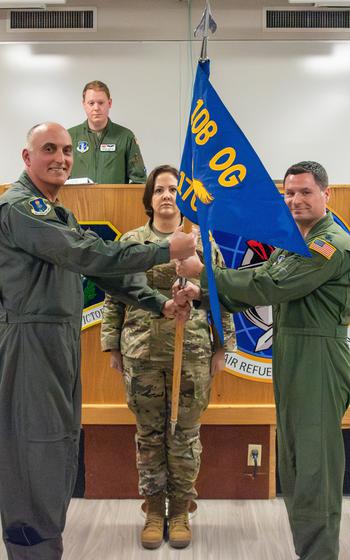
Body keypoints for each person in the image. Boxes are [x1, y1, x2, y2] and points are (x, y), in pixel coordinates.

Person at [0, 123, 196, 560]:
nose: (61, 158)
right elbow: (85, 254)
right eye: (48, 149)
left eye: (67, 150)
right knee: (35, 452)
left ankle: (46, 547)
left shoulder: (57, 211)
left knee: (57, 449)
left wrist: (159, 304)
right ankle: (31, 550)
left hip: (59, 340)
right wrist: (165, 251)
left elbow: (104, 273)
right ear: (26, 157)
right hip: (31, 341)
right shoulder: (21, 208)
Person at [175, 161, 350, 560]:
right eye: (289, 193)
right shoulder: (295, 242)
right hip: (292, 352)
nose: (295, 200)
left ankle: (320, 553)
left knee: (314, 466)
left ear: (327, 195)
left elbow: (270, 285)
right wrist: (202, 292)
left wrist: (205, 274)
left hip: (319, 355)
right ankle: (308, 549)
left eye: (305, 192)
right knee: (293, 460)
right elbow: (253, 290)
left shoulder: (331, 244)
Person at [101, 164, 235, 550]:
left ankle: (179, 510)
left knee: (184, 436)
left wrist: (222, 346)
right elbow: (114, 297)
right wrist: (112, 346)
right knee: (149, 436)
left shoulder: (200, 241)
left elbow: (221, 295)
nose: (166, 195)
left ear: (183, 196)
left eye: (174, 189)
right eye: (159, 189)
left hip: (190, 352)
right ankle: (153, 511)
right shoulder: (131, 241)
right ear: (149, 198)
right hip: (141, 353)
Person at [68, 80, 147, 184]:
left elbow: (139, 180)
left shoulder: (125, 137)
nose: (96, 108)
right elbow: (58, 177)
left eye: (101, 103)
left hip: (115, 200)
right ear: (84, 105)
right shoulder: (70, 136)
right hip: (78, 200)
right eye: (91, 103)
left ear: (109, 103)